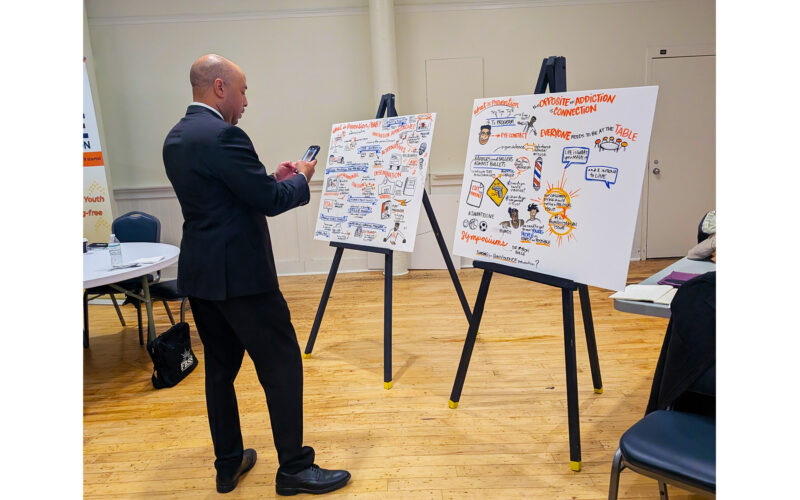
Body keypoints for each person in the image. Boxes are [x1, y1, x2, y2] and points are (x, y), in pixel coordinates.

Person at [163, 54, 350, 496]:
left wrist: (272, 177)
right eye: (243, 90)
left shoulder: (177, 137)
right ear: (220, 87)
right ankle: (294, 469)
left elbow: (231, 193)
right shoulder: (226, 136)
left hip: (202, 277)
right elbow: (266, 201)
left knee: (220, 370)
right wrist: (300, 179)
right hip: (244, 280)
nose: (247, 100)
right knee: (282, 365)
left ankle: (227, 464)